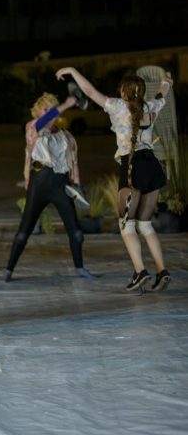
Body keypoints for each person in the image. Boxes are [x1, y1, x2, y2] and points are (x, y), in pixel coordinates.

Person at [57, 67, 173, 291]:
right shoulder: (150, 106)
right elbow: (162, 93)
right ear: (141, 93)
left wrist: (72, 70)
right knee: (145, 224)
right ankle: (162, 271)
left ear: (123, 91)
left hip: (132, 167)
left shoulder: (117, 107)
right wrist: (166, 80)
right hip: (152, 167)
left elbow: (90, 92)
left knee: (126, 225)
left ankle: (140, 272)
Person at [2, 93, 93, 282]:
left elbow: (74, 161)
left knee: (75, 232)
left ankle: (80, 268)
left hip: (60, 183)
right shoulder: (32, 127)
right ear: (37, 111)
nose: (50, 112)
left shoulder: (66, 135)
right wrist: (68, 103)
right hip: (39, 182)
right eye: (46, 108)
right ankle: (8, 270)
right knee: (23, 232)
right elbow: (42, 122)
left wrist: (77, 185)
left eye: (52, 108)